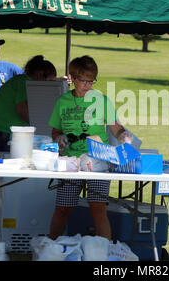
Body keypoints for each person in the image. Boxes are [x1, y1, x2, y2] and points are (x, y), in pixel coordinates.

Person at [48, 55, 132, 241]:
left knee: (98, 208)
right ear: (73, 79)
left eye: (91, 81)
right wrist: (59, 138)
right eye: (83, 80)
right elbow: (55, 130)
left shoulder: (101, 100)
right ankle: (50, 248)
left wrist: (124, 136)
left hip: (98, 161)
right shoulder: (63, 102)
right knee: (62, 208)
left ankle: (103, 251)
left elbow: (116, 127)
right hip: (70, 162)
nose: (88, 85)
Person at [0, 55, 57, 151]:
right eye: (50, 81)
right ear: (41, 74)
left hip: (1, 134)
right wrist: (42, 128)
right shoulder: (23, 82)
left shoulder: (23, 82)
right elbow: (22, 111)